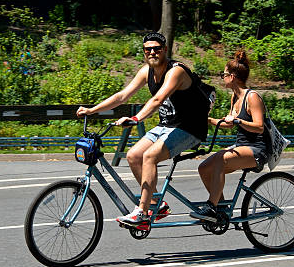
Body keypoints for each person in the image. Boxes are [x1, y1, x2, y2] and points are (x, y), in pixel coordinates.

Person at [76, 32, 209, 229]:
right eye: (148, 49)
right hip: (167, 125)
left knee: (150, 157)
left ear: (165, 50)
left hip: (190, 128)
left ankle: (142, 213)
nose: (152, 52)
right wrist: (92, 110)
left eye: (157, 48)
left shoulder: (176, 71)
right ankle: (157, 204)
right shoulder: (146, 71)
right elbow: (123, 96)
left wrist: (136, 118)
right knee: (133, 155)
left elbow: (157, 100)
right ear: (144, 52)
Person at [190, 50, 268, 222]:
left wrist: (239, 121)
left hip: (257, 150)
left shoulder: (252, 97)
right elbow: (229, 123)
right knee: (203, 168)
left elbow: (259, 127)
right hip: (241, 147)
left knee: (220, 160)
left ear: (232, 77)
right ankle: (221, 210)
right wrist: (208, 120)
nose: (222, 77)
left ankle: (211, 206)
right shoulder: (235, 97)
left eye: (224, 74)